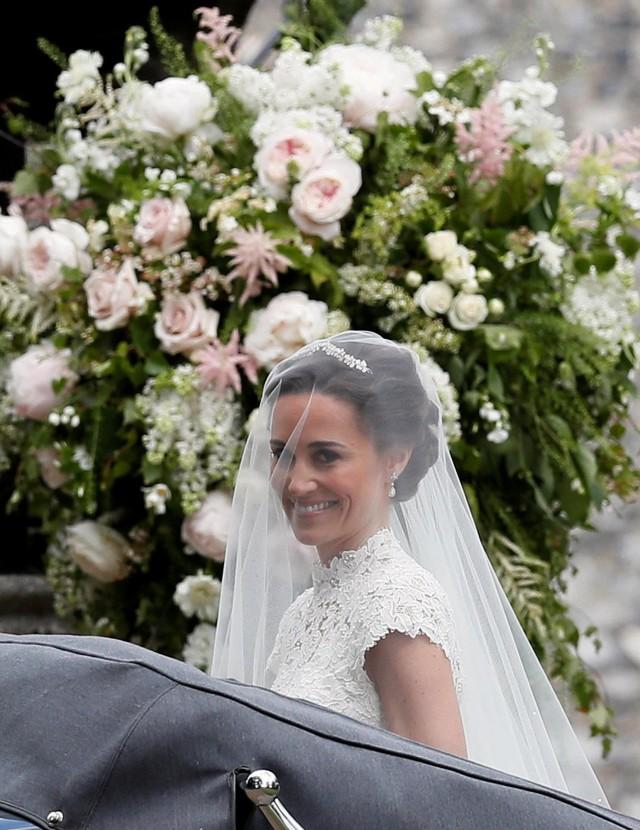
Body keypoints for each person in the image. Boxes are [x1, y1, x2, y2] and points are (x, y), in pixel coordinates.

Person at [211, 330, 608, 806]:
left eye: (326, 455)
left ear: (395, 457)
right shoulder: (307, 610)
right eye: (283, 454)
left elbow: (441, 806)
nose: (296, 483)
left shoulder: (396, 611)